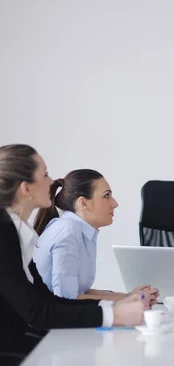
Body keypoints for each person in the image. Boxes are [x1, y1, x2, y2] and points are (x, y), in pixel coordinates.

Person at [0, 144, 145, 357]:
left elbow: (46, 300)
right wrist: (113, 315)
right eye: (45, 174)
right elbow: (38, 313)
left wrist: (115, 306)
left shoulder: (18, 232)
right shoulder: (5, 234)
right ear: (26, 189)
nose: (51, 182)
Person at [32, 169, 159, 303]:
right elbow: (67, 300)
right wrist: (128, 301)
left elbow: (79, 292)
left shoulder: (77, 230)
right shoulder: (68, 231)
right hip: (51, 321)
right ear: (83, 203)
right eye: (106, 196)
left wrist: (129, 296)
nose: (115, 204)